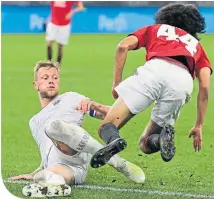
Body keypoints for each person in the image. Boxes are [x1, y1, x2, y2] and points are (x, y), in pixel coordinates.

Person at [88, 3, 212, 168]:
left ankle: (114, 141)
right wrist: (198, 125)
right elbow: (204, 87)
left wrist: (117, 84)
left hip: (154, 70)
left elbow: (122, 46)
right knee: (146, 144)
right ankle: (159, 140)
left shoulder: (157, 29)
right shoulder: (197, 46)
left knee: (107, 127)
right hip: (183, 83)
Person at [9, 61, 145, 197]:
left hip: (75, 152)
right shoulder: (34, 122)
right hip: (68, 169)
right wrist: (34, 173)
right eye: (45, 78)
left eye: (55, 78)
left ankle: (115, 161)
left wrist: (94, 106)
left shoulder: (71, 98)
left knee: (54, 127)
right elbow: (46, 150)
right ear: (35, 85)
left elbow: (114, 115)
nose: (51, 81)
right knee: (41, 176)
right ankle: (59, 186)